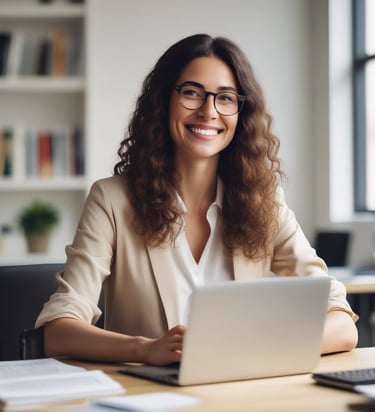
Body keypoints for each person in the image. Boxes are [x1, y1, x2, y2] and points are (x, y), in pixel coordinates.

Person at [36, 34, 358, 364]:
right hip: (150, 398)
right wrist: (146, 349)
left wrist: (253, 347)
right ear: (164, 101)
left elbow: (342, 324)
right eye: (192, 93)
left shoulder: (264, 201)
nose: (209, 111)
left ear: (240, 113)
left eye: (226, 98)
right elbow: (58, 333)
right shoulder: (112, 200)